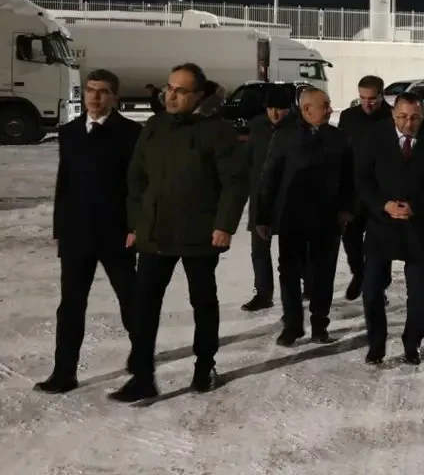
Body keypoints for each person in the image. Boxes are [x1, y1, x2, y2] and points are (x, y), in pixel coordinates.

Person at [109, 63, 248, 402]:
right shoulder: (155, 126)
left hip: (199, 232)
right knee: (144, 306)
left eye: (180, 91)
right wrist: (135, 224)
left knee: (203, 302)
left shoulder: (218, 131)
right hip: (156, 231)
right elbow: (136, 178)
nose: (170, 96)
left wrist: (224, 225)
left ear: (199, 95)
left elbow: (235, 183)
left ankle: (204, 367)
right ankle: (143, 377)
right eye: (169, 88)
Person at [36, 69, 142, 394]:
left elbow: (139, 185)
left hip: (117, 234)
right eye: (91, 90)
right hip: (77, 235)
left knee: (131, 301)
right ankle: (64, 373)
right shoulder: (69, 133)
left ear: (115, 97)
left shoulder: (131, 133)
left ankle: (141, 360)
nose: (95, 97)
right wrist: (60, 228)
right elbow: (64, 183)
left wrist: (136, 227)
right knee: (70, 306)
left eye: (103, 91)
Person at [255, 87, 354, 346]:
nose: (330, 109)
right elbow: (269, 177)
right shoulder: (284, 137)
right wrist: (263, 217)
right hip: (292, 218)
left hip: (327, 219)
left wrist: (346, 208)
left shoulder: (339, 138)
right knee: (289, 273)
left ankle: (320, 325)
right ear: (307, 109)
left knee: (323, 274)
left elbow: (349, 178)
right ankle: (292, 326)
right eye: (325, 105)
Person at [356, 92, 424, 365]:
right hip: (381, 223)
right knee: (372, 289)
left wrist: (417, 206)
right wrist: (383, 205)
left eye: (415, 118)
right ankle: (376, 344)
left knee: (418, 292)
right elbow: (362, 178)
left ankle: (412, 343)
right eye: (403, 117)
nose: (408, 123)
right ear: (393, 114)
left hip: (418, 225)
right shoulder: (375, 135)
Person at [241, 87, 297, 312]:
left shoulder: (298, 127)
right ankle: (263, 293)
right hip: (260, 196)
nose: (274, 113)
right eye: (270, 108)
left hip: (289, 197)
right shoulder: (257, 126)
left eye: (280, 109)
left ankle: (296, 290)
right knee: (259, 249)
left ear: (289, 109)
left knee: (292, 252)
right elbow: (249, 159)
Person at [337, 75, 393, 301]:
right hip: (354, 190)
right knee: (350, 238)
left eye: (371, 99)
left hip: (382, 191)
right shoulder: (348, 117)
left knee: (381, 243)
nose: (367, 103)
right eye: (362, 98)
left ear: (381, 95)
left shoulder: (392, 116)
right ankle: (360, 273)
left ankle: (379, 286)